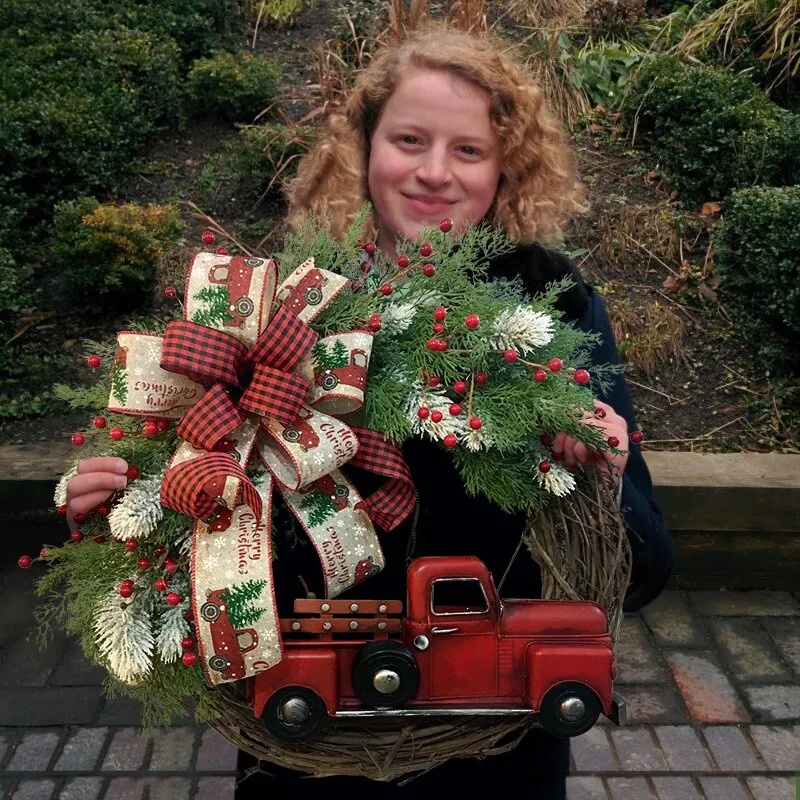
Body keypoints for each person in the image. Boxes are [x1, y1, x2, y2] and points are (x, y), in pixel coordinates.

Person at [67, 25, 673, 799]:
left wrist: (610, 472)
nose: (433, 173)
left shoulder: (556, 315)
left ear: (505, 169)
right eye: (409, 139)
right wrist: (126, 508)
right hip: (311, 738)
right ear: (363, 150)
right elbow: (201, 497)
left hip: (495, 743)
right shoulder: (287, 306)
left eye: (468, 150)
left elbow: (645, 572)